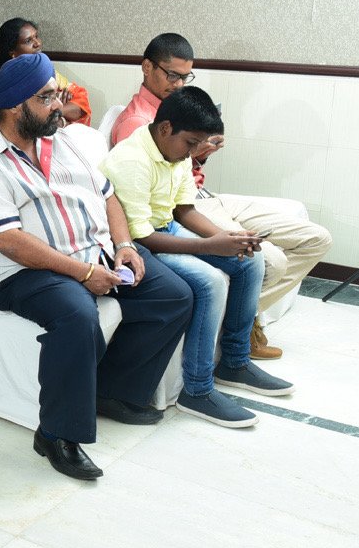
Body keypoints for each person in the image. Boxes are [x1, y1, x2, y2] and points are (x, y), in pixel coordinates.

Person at [0, 52, 193, 478]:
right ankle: (56, 434)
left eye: (56, 95)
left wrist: (123, 245)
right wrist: (83, 273)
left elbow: (108, 195)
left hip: (91, 253)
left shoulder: (62, 144)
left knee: (172, 296)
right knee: (77, 315)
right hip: (23, 273)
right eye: (46, 98)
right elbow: (8, 241)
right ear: (15, 106)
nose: (58, 106)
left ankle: (112, 391)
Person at [109, 33, 332, 359]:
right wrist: (214, 240)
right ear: (147, 67)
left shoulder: (185, 110)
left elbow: (183, 183)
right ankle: (241, 329)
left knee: (315, 239)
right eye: (172, 75)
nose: (178, 84)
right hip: (176, 210)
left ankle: (242, 321)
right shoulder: (138, 125)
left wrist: (200, 154)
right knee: (266, 260)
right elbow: (156, 208)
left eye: (185, 77)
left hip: (201, 196)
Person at [102, 86, 295, 428]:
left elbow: (183, 210)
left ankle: (234, 361)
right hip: (136, 243)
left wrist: (224, 238)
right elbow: (142, 236)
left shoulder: (175, 152)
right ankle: (197, 390)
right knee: (209, 282)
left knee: (249, 259)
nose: (194, 152)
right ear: (165, 128)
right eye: (191, 143)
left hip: (164, 228)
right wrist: (211, 246)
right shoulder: (132, 160)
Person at [0, 18, 92, 125]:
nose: (37, 43)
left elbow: (81, 104)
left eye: (36, 36)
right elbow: (26, 119)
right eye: (28, 41)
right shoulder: (1, 84)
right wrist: (60, 116)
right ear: (12, 52)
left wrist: (57, 114)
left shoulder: (45, 72)